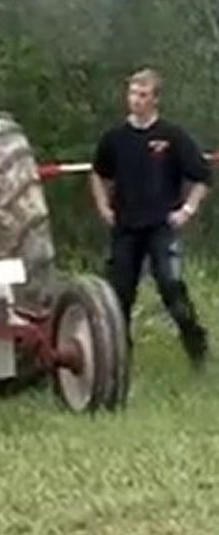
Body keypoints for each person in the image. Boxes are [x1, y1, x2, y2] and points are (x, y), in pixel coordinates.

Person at [90, 67, 211, 367]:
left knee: (172, 288)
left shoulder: (172, 136)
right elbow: (98, 173)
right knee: (119, 296)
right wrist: (103, 207)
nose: (136, 100)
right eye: (132, 93)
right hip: (125, 227)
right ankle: (119, 360)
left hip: (161, 227)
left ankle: (197, 348)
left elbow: (203, 177)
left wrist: (187, 210)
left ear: (155, 99)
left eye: (143, 95)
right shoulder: (115, 138)